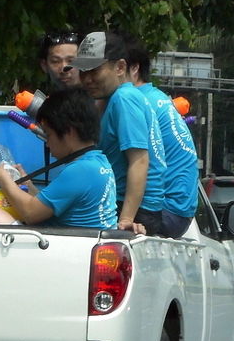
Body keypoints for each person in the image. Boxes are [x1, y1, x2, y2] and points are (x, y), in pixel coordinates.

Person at [0, 88, 117, 229]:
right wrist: (28, 185)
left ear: (69, 132)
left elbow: (31, 213)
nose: (47, 143)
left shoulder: (80, 170)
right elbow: (47, 206)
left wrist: (2, 177)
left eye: (49, 134)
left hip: (66, 247)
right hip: (83, 241)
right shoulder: (98, 161)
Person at [66, 31, 166, 235]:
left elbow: (139, 161)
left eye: (94, 70)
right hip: (130, 205)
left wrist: (126, 220)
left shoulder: (124, 99)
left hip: (135, 211)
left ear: (120, 67)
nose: (87, 79)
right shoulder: (115, 98)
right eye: (83, 72)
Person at [123, 34, 198, 238]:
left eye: (114, 67)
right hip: (179, 213)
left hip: (164, 212)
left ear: (134, 68)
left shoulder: (133, 101)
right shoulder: (157, 98)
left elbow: (140, 164)